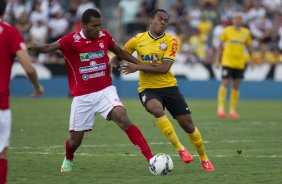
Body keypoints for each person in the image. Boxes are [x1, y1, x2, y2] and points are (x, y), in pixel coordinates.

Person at [29, 8, 154, 173]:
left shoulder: (104, 36)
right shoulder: (70, 40)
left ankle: (151, 159)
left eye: (99, 25)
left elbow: (120, 52)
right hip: (83, 96)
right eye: (94, 26)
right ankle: (69, 157)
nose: (98, 29)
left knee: (122, 117)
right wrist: (34, 47)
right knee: (75, 141)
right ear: (84, 25)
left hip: (105, 90)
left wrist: (140, 65)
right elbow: (49, 47)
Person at [112, 9, 215, 172]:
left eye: (166, 20)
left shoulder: (171, 41)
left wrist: (137, 66)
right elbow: (121, 53)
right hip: (148, 88)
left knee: (188, 126)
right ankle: (181, 149)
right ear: (151, 20)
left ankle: (204, 158)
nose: (164, 22)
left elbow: (164, 68)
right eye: (160, 19)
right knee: (156, 109)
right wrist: (112, 63)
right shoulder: (138, 40)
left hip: (169, 87)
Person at [0, 1, 44, 183]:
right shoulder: (11, 33)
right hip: (1, 105)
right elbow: (29, 67)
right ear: (5, 10)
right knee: (1, 152)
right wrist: (36, 86)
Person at [216, 12, 253, 118]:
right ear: (232, 20)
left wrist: (251, 59)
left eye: (239, 18)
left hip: (239, 63)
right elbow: (220, 46)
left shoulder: (246, 32)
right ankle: (221, 109)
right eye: (235, 18)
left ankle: (232, 111)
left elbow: (249, 46)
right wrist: (217, 60)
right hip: (227, 61)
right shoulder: (227, 31)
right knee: (225, 82)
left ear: (242, 20)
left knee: (236, 85)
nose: (237, 20)